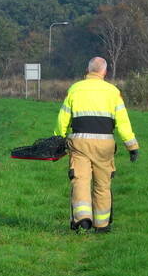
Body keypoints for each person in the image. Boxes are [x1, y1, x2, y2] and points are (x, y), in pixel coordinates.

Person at [54, 56, 140, 233]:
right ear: (104, 72)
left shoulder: (75, 89)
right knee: (102, 185)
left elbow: (63, 118)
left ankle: (82, 218)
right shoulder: (113, 92)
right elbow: (123, 122)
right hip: (104, 144)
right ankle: (102, 225)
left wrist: (58, 138)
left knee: (80, 180)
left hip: (80, 143)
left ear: (88, 70)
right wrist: (132, 147)